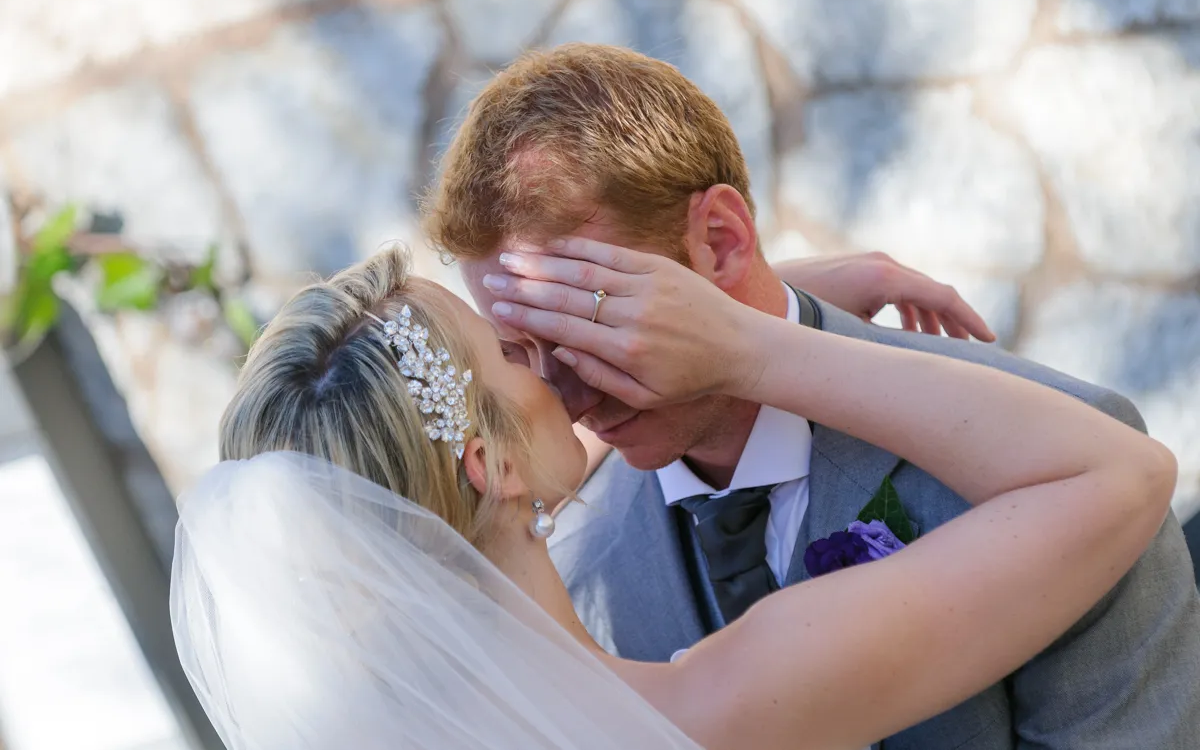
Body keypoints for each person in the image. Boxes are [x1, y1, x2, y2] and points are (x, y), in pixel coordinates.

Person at [424, 42, 1200, 748]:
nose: (565, 392)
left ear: (722, 241)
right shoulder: (572, 568)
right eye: (523, 349)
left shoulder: (1054, 464)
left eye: (594, 314)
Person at [173, 243, 1175, 750]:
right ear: (494, 468)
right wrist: (757, 340)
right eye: (516, 351)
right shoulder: (709, 708)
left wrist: (775, 286)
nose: (562, 366)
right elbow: (1115, 474)